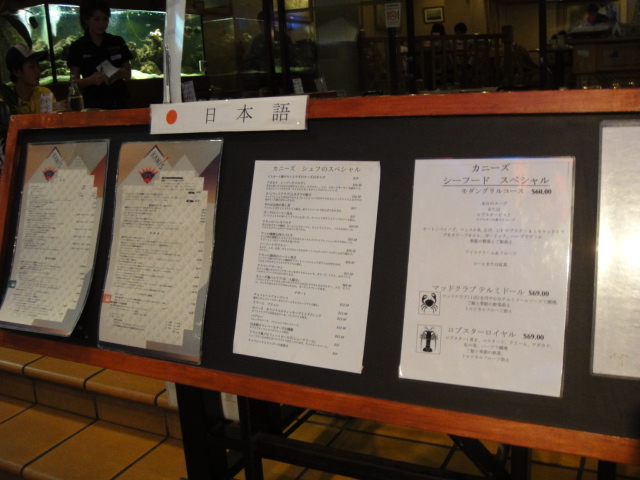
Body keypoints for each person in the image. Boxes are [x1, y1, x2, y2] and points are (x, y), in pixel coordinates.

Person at [67, 0, 133, 109]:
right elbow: (73, 83)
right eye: (96, 19)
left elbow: (128, 74)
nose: (101, 24)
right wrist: (90, 80)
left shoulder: (117, 41)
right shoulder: (77, 46)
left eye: (105, 19)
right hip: (93, 103)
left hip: (119, 101)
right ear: (86, 20)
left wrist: (121, 73)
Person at [0, 44, 65, 115]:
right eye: (32, 67)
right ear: (17, 72)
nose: (38, 71)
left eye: (38, 65)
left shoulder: (43, 93)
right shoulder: (6, 100)